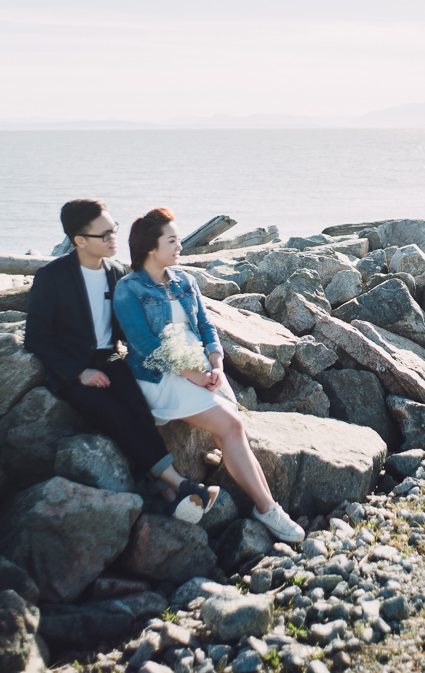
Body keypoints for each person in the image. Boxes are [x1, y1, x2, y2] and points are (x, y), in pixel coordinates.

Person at [113, 207, 305, 543]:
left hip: (201, 370)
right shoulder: (128, 289)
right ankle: (267, 508)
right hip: (159, 379)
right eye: (172, 240)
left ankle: (264, 506)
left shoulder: (185, 281)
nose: (180, 246)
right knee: (231, 425)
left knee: (235, 428)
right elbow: (145, 347)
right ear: (150, 247)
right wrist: (195, 375)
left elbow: (206, 327)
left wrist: (215, 365)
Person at [25, 198, 218, 523]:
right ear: (79, 240)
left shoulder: (118, 275)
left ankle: (169, 492)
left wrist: (184, 364)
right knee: (115, 415)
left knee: (140, 410)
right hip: (72, 369)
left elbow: (134, 333)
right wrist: (79, 372)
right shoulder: (52, 277)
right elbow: (37, 337)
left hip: (111, 359)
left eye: (114, 229)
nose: (115, 238)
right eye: (105, 234)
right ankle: (181, 485)